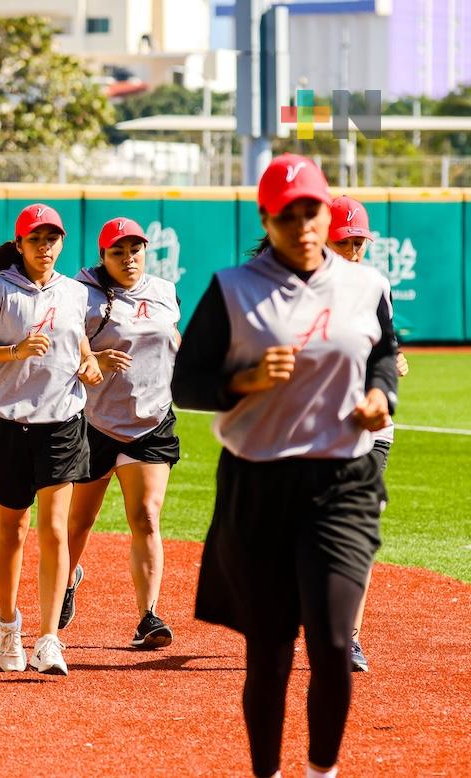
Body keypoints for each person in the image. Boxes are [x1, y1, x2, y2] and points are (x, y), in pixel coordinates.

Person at [171, 154, 397, 778]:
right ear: (266, 220)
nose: (303, 226)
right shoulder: (233, 289)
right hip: (260, 483)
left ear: (327, 212)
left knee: (329, 642)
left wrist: (383, 395)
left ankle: (321, 771)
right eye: (287, 216)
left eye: (312, 211)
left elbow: (383, 352)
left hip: (344, 482)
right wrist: (242, 380)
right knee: (269, 654)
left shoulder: (364, 284)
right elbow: (185, 382)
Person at [0, 203, 102, 676]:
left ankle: (49, 639)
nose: (45, 246)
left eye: (52, 238)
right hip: (6, 425)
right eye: (35, 239)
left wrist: (90, 362)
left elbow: (79, 342)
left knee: (55, 530)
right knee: (13, 530)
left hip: (61, 422)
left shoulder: (76, 293)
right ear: (19, 245)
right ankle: (7, 626)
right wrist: (15, 351)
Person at [62, 217, 180, 648]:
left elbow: (173, 338)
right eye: (118, 251)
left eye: (135, 249)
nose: (128, 258)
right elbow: (60, 354)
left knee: (146, 516)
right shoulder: (81, 296)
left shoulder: (165, 291)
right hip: (94, 422)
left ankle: (148, 616)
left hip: (151, 422)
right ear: (103, 256)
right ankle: (67, 582)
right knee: (80, 520)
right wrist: (94, 358)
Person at [326, 194, 409, 673]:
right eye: (346, 241)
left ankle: (349, 637)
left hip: (372, 429)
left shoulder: (376, 284)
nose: (354, 249)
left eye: (359, 241)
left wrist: (393, 361)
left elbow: (387, 345)